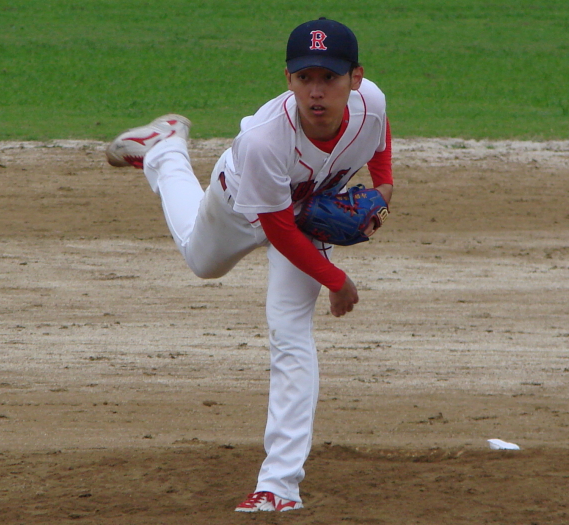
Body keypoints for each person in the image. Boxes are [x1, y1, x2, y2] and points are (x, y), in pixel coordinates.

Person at [106, 17, 393, 512]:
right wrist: (336, 280)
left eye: (329, 77)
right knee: (201, 261)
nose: (317, 91)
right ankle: (165, 149)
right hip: (242, 205)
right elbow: (278, 229)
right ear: (288, 80)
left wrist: (384, 191)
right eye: (305, 78)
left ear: (356, 77)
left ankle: (279, 487)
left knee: (290, 333)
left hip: (307, 218)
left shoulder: (372, 103)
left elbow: (379, 140)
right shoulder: (265, 139)